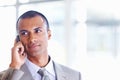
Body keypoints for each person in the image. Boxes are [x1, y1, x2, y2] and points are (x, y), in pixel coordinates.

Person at [0, 10, 81, 80]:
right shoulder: (5, 77)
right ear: (18, 39)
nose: (32, 39)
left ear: (49, 35)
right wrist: (14, 66)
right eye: (24, 33)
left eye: (37, 31)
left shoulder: (74, 76)